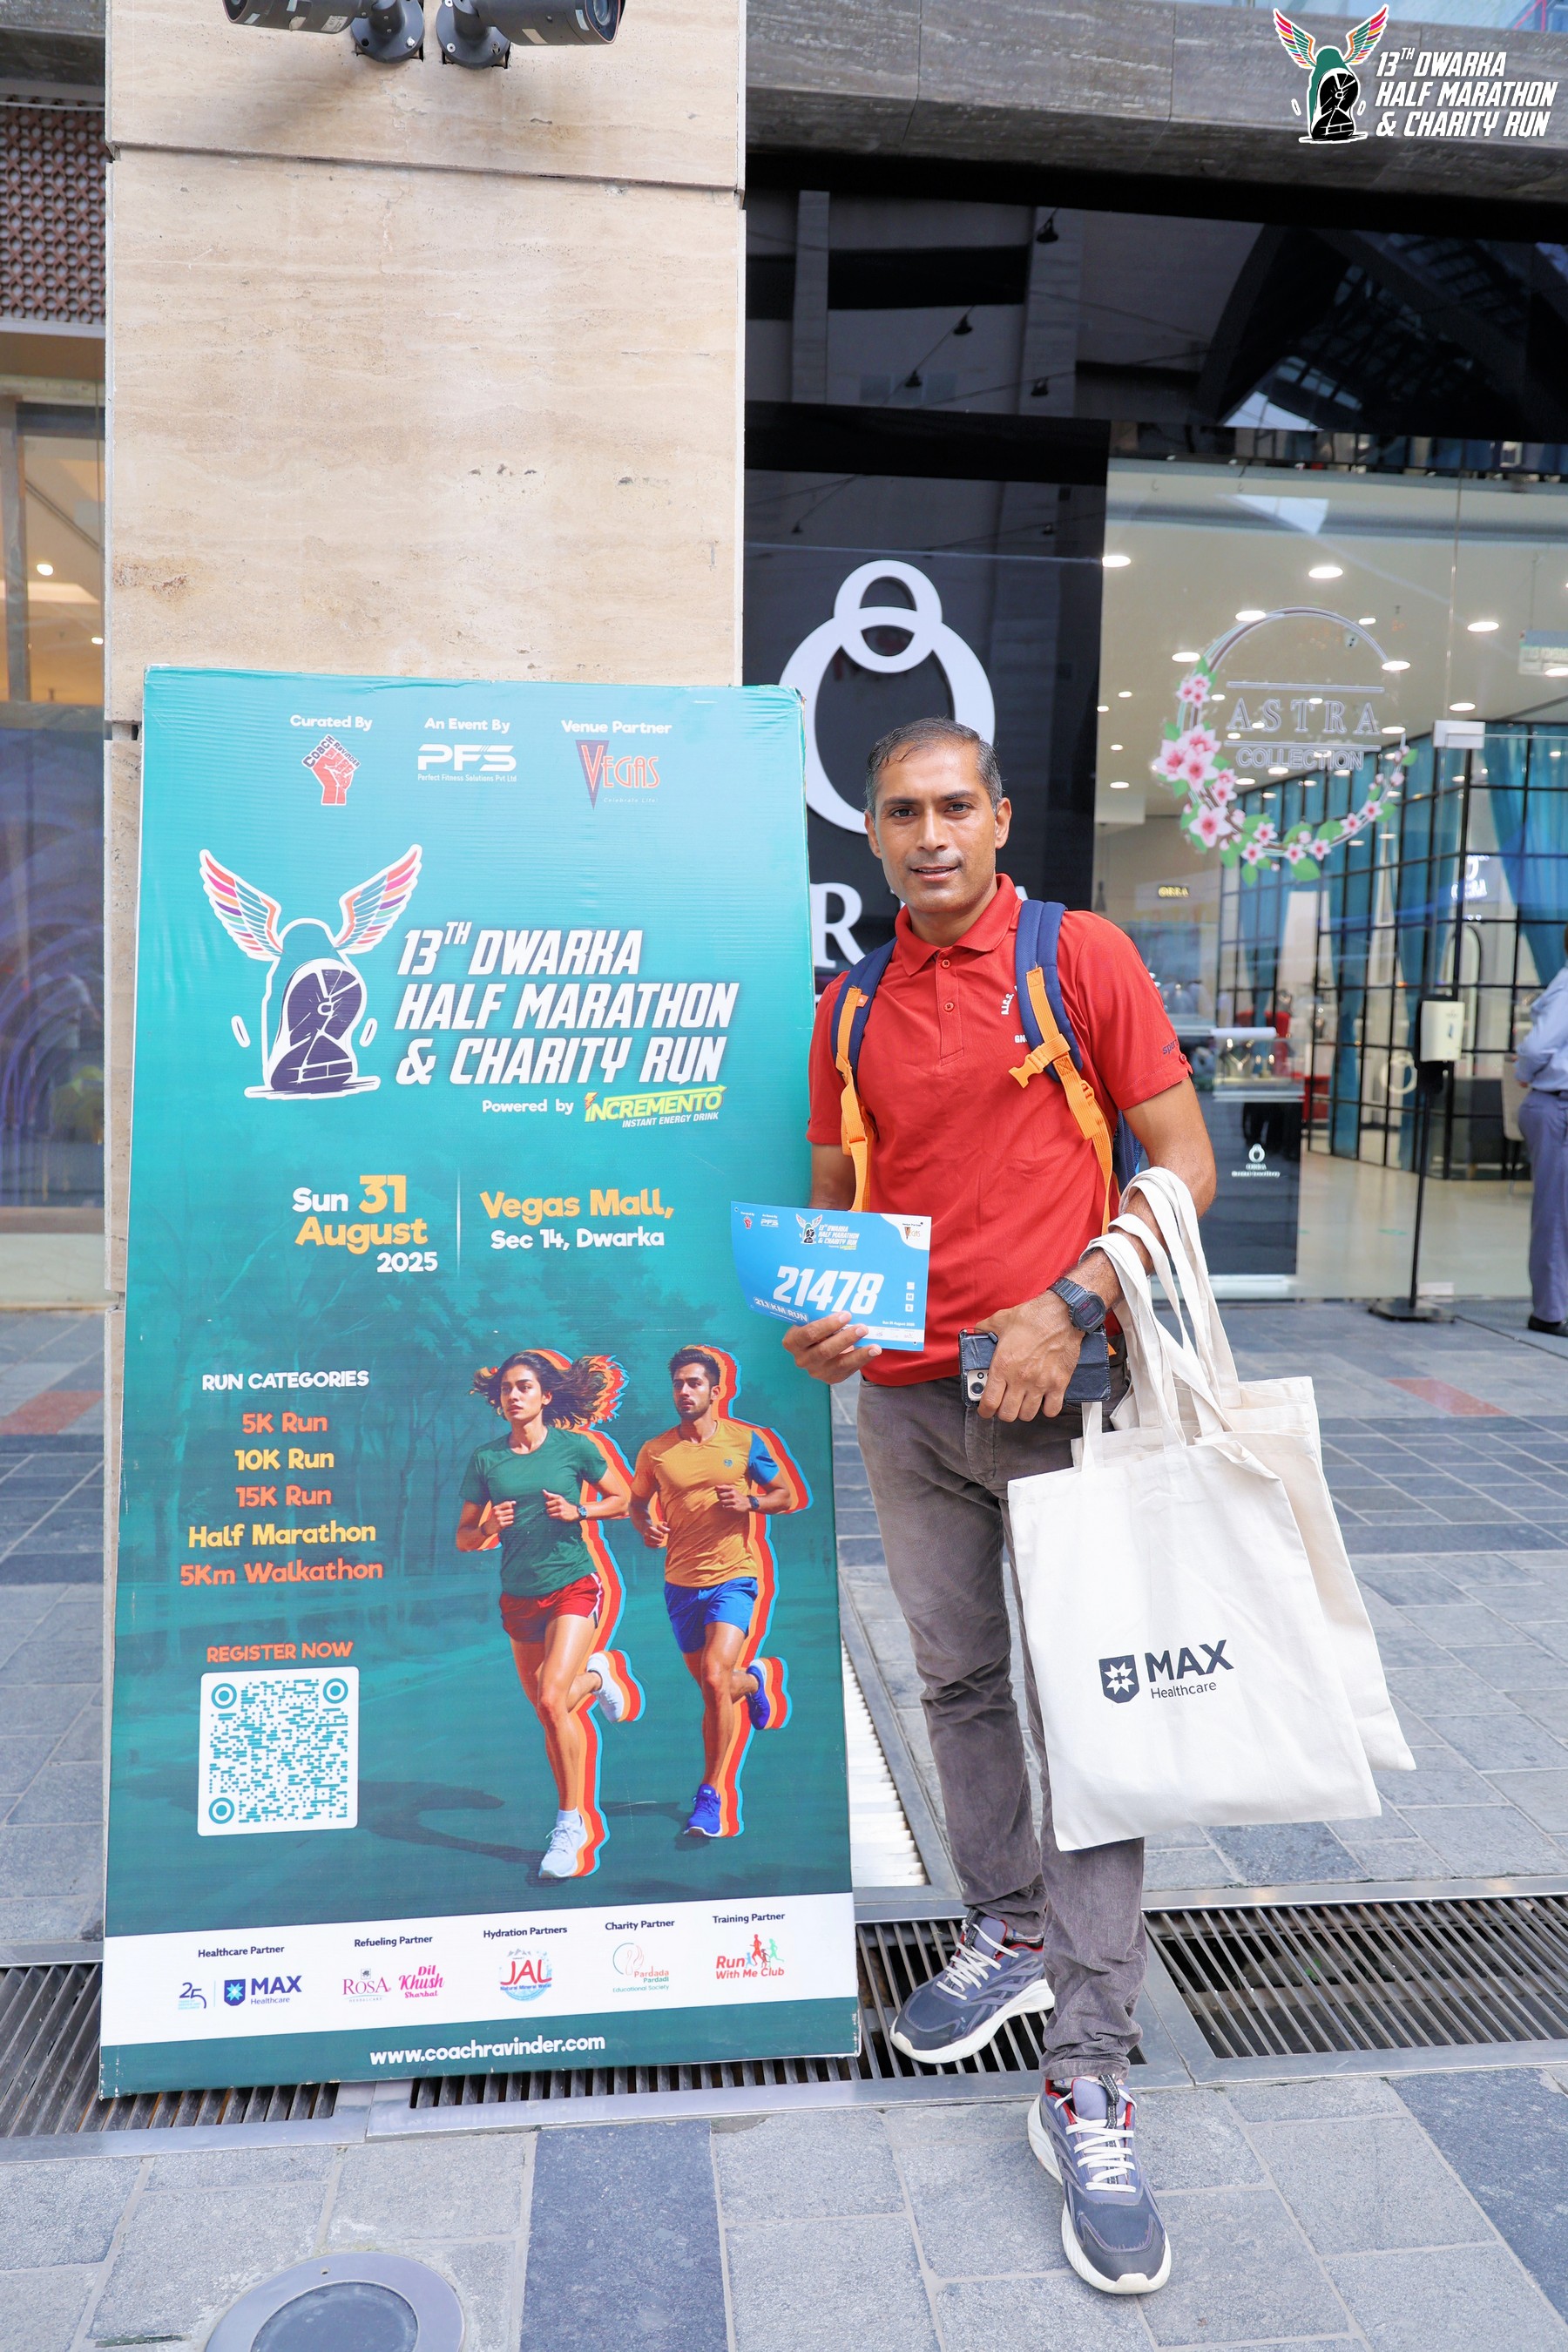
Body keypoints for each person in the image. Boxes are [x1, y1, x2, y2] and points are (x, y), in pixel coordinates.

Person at [785, 716, 1216, 2299]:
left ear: (1000, 817)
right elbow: (841, 1206)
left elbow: (1185, 1165)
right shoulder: (849, 1006)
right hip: (908, 1411)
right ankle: (1010, 1931)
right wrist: (824, 1321)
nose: (930, 833)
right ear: (875, 834)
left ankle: (1089, 2074)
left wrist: (1070, 1300)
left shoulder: (1077, 957)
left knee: (1091, 1717)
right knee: (960, 1685)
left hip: (1064, 1392)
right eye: (903, 811)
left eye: (954, 805)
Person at [456, 1349, 639, 1882]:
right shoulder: (486, 1460)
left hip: (573, 1586)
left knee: (553, 1699)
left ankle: (570, 1825)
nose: (514, 1395)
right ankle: (597, 1676)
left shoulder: (574, 1448)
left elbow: (622, 1500)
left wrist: (580, 1510)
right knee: (547, 1706)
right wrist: (490, 1527)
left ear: (546, 1396)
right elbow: (464, 1538)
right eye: (507, 1388)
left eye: (525, 1387)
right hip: (519, 1597)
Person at [630, 1347, 802, 1839]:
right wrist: (646, 1528)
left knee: (711, 1677)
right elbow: (637, 1505)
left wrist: (750, 1501)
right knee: (717, 1688)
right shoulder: (656, 1451)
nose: (684, 1392)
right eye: (678, 1384)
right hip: (681, 1586)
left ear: (716, 1390)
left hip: (735, 1577)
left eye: (694, 1383)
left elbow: (786, 1495)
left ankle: (710, 1794)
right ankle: (753, 1683)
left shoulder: (745, 1441)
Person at [1515, 930, 1568, 1335]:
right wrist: (1524, 1073)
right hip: (1556, 1106)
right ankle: (1549, 1313)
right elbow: (1535, 1048)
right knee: (1556, 1213)